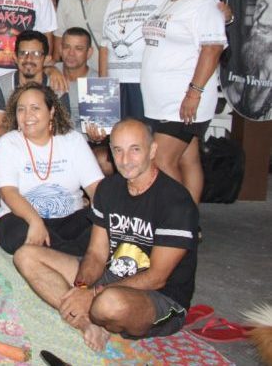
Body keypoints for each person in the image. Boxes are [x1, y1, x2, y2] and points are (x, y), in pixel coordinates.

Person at [13, 119, 199, 352]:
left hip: (158, 296)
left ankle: (93, 311)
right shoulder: (108, 189)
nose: (124, 160)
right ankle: (86, 323)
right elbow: (96, 254)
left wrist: (93, 294)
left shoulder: (176, 201)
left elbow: (157, 277)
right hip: (111, 276)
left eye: (135, 150)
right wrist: (82, 288)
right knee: (26, 256)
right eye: (117, 150)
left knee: (107, 305)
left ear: (152, 151)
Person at [141, 0, 227, 203]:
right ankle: (190, 226)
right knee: (188, 159)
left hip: (183, 101)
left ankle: (180, 223)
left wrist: (194, 92)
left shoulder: (205, 3)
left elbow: (212, 49)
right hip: (164, 101)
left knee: (160, 159)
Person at [0, 82, 103, 255]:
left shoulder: (72, 140)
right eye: (21, 109)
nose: (27, 115)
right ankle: (76, 255)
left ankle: (54, 255)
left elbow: (95, 187)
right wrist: (35, 222)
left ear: (51, 111)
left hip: (70, 219)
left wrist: (105, 220)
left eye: (35, 108)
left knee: (104, 224)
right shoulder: (7, 144)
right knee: (17, 233)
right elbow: (8, 193)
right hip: (23, 218)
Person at [99, 0, 171, 120]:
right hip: (116, 85)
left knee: (145, 136)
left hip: (146, 82)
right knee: (119, 137)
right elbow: (104, 47)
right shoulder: (114, 1)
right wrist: (103, 85)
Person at [0, 30, 67, 136]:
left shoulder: (57, 85)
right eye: (23, 53)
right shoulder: (1, 85)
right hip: (13, 146)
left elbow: (62, 129)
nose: (29, 59)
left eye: (36, 54)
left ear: (46, 59)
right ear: (15, 57)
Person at [59, 27, 114, 175]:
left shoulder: (99, 81)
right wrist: (49, 70)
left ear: (89, 53)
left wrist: (98, 137)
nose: (71, 54)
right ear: (60, 49)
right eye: (66, 47)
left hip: (86, 144)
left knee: (105, 161)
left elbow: (106, 127)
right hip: (53, 143)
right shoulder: (50, 74)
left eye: (78, 48)